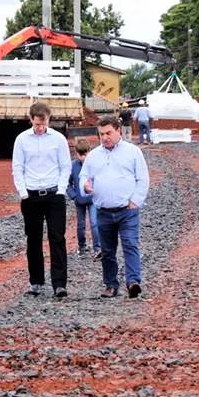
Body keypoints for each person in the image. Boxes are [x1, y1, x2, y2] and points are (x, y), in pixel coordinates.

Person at [80, 114, 150, 299]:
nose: (104, 137)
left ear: (119, 130)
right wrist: (85, 186)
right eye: (101, 134)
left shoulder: (133, 152)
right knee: (108, 250)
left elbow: (142, 178)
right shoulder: (93, 156)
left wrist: (135, 201)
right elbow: (83, 177)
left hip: (127, 211)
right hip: (103, 211)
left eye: (108, 133)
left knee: (130, 244)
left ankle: (133, 282)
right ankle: (111, 285)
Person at [12, 102, 72, 298]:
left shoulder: (58, 139)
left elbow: (65, 166)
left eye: (43, 123)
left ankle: (59, 284)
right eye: (37, 123)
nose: (40, 127)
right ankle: (36, 282)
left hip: (54, 195)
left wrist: (61, 190)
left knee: (57, 238)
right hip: (31, 196)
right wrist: (23, 192)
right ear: (31, 119)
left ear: (49, 120)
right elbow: (17, 167)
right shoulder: (22, 140)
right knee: (33, 239)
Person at [66, 139, 102, 260]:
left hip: (92, 200)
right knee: (81, 225)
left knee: (94, 222)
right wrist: (74, 196)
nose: (83, 157)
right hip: (79, 201)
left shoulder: (95, 164)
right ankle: (82, 247)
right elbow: (68, 183)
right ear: (76, 153)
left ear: (89, 152)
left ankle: (97, 248)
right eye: (80, 154)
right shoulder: (73, 166)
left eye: (85, 154)